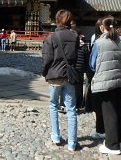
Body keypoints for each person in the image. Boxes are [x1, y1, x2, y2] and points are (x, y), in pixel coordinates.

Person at [42, 9, 80, 152]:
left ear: (56, 20)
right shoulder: (74, 36)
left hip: (54, 76)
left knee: (53, 105)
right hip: (69, 75)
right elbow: (75, 56)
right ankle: (72, 143)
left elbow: (47, 58)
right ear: (69, 21)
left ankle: (56, 136)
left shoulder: (51, 38)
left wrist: (44, 72)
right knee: (71, 109)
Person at [89, 16, 121, 155]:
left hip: (105, 80)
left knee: (109, 113)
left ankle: (112, 145)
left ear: (102, 28)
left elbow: (92, 64)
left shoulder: (99, 43)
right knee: (120, 110)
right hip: (120, 79)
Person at [84, 19, 105, 140]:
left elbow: (92, 63)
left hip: (98, 76)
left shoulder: (96, 40)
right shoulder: (119, 40)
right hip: (115, 77)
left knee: (99, 104)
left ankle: (100, 130)